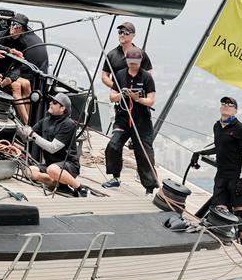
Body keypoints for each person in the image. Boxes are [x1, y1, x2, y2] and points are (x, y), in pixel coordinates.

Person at [101, 47, 158, 194]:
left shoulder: (146, 77)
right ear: (127, 61)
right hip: (123, 118)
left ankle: (150, 187)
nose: (133, 65)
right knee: (113, 145)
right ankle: (115, 177)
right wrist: (123, 94)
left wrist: (137, 98)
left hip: (142, 121)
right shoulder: (120, 75)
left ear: (140, 62)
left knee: (144, 152)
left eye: (135, 63)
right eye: (130, 62)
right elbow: (112, 97)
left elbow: (151, 100)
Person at [195, 97, 242, 242]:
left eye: (230, 105)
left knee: (241, 214)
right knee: (220, 209)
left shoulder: (240, 129)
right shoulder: (217, 126)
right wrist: (199, 153)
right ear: (220, 107)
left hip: (236, 176)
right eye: (223, 104)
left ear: (235, 110)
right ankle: (223, 240)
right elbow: (218, 147)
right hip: (221, 175)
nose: (226, 106)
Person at [19, 93, 88, 197]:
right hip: (50, 164)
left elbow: (53, 148)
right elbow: (28, 137)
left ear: (62, 108)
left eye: (55, 102)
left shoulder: (68, 124)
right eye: (51, 101)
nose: (51, 103)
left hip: (68, 165)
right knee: (28, 171)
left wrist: (32, 135)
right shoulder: (45, 121)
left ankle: (80, 188)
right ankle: (57, 183)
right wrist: (22, 130)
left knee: (52, 170)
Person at [0, 14, 42, 124]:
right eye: (13, 24)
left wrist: (11, 77)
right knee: (16, 86)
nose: (14, 27)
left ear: (23, 30)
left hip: (7, 74)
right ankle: (27, 124)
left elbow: (19, 66)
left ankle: (31, 121)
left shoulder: (22, 44)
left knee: (26, 84)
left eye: (18, 26)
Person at [101, 21, 152, 89]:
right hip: (117, 95)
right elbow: (104, 76)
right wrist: (117, 87)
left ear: (133, 35)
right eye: (120, 32)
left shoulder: (141, 54)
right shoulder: (111, 55)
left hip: (137, 94)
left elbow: (149, 75)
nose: (122, 35)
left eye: (126, 33)